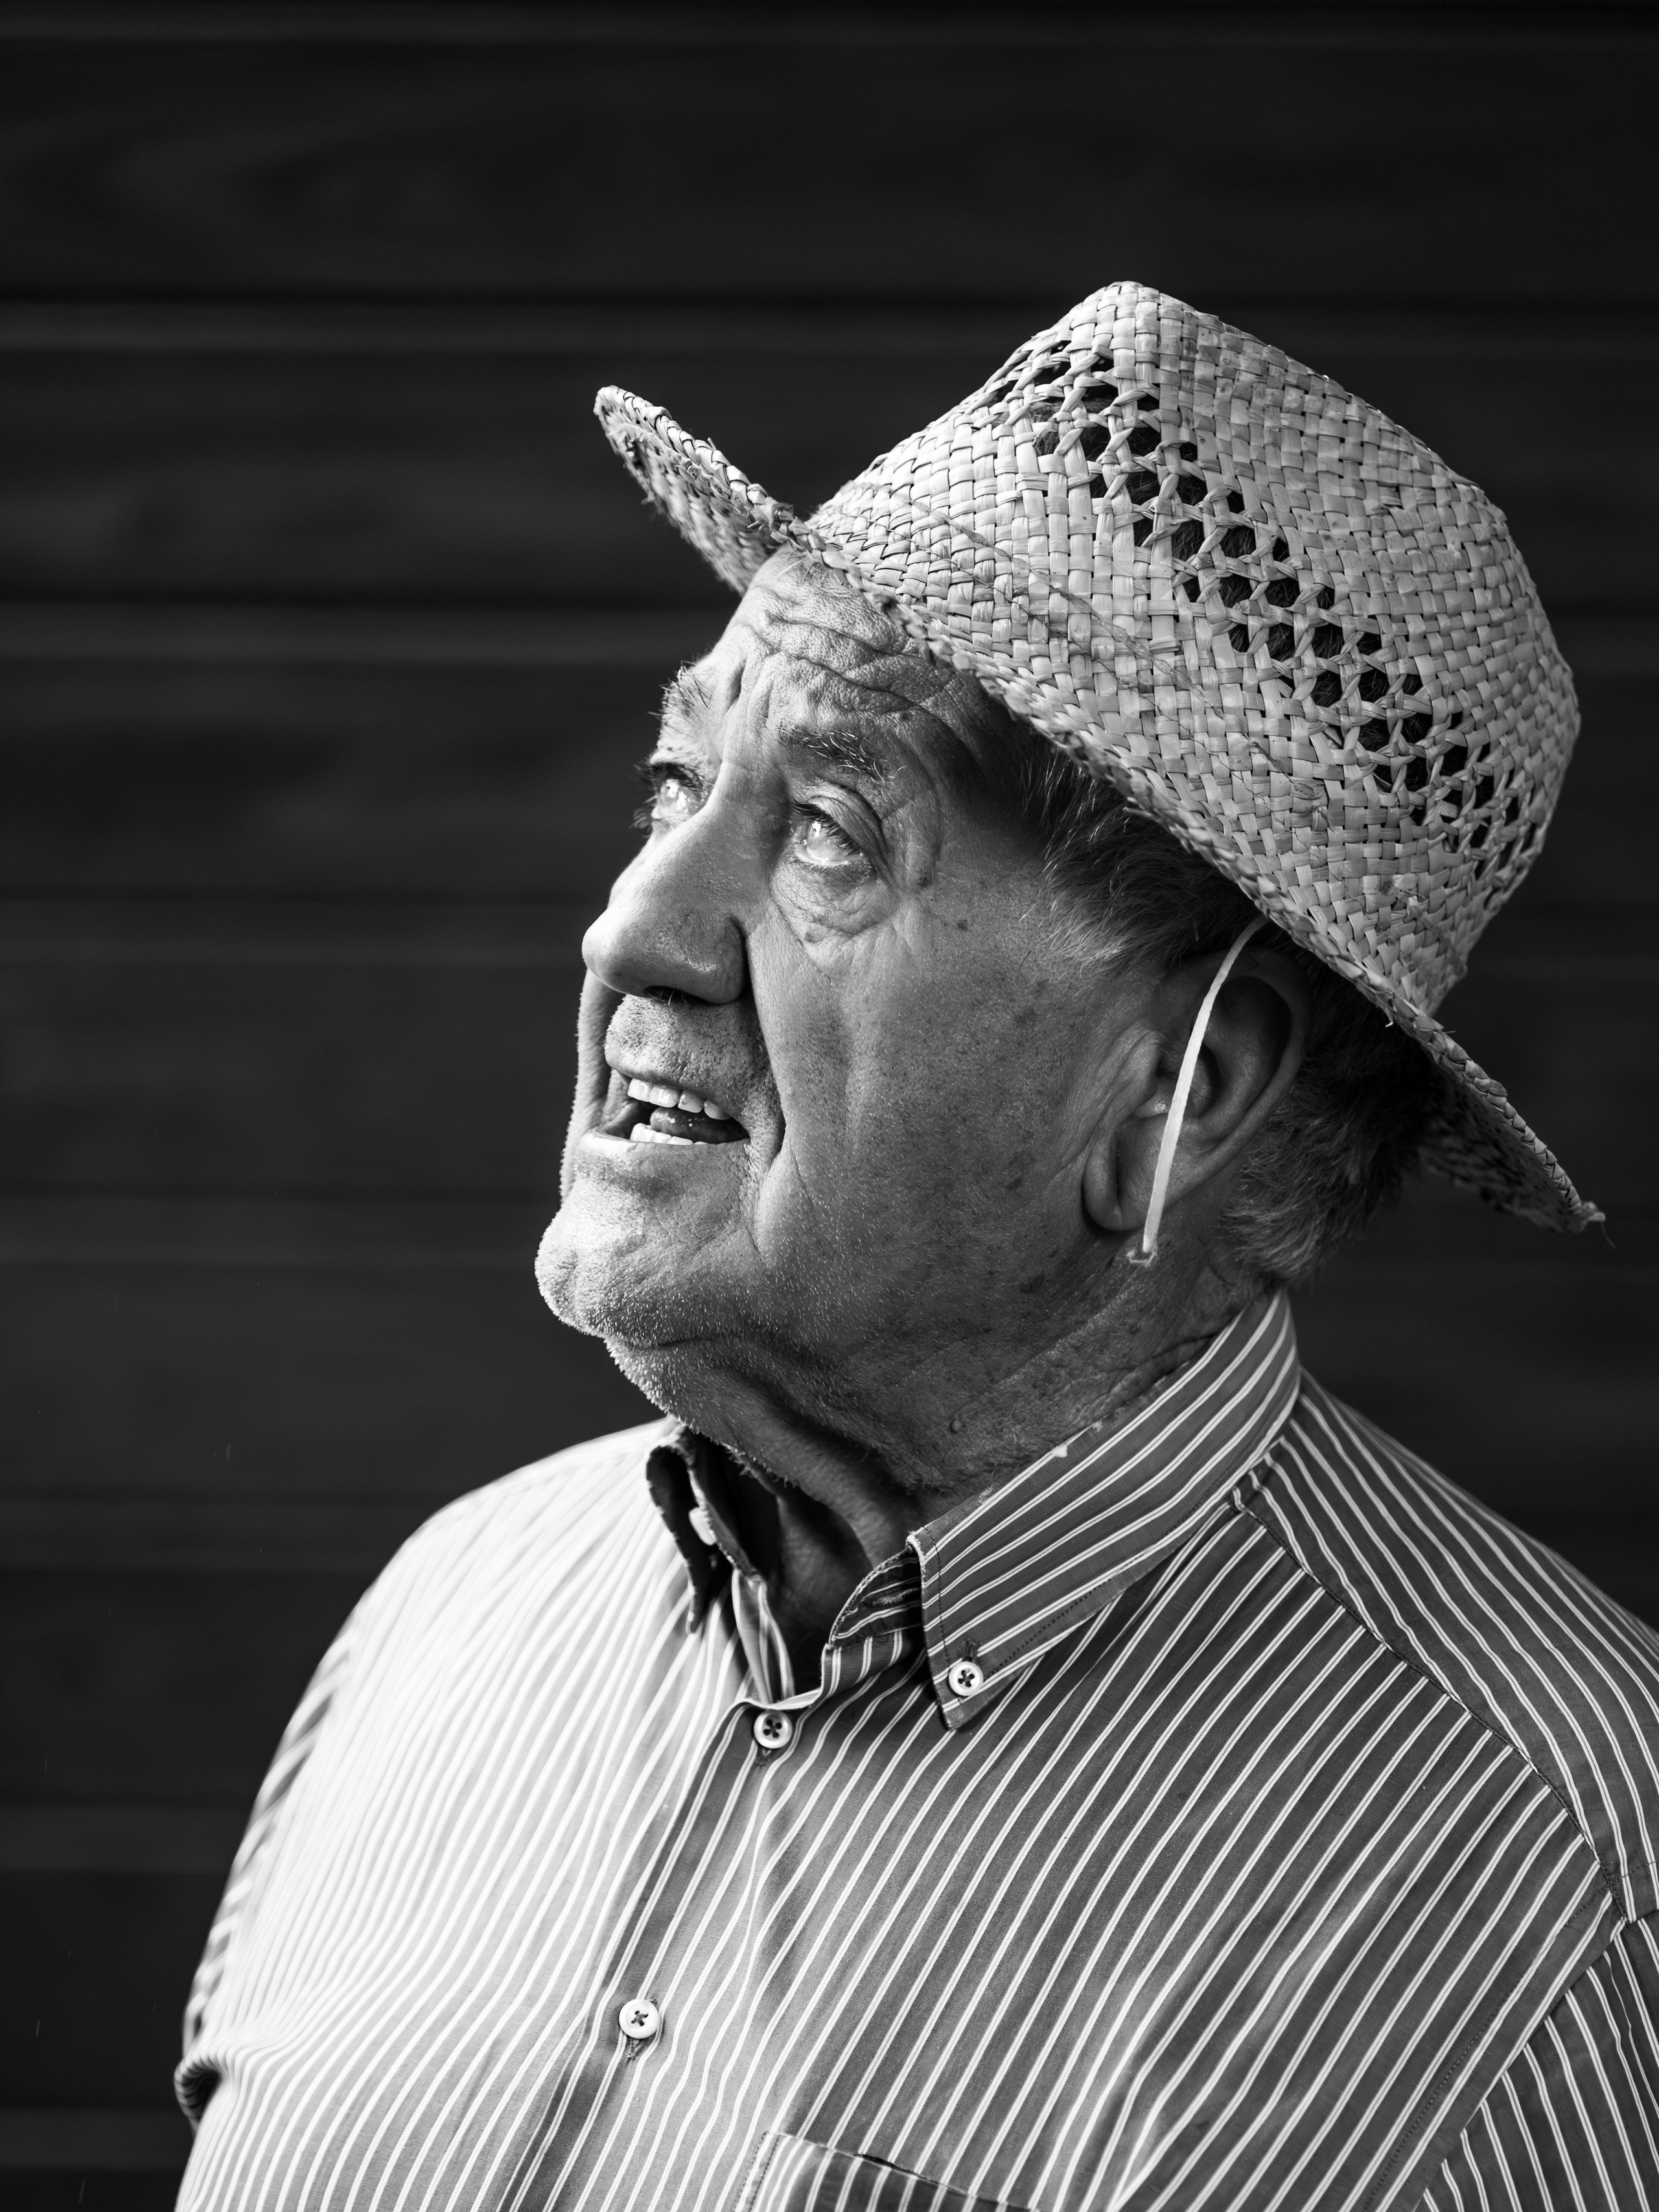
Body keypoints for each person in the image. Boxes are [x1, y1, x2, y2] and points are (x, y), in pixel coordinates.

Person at [174, 283, 1657, 2212]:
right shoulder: (448, 1613)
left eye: (828, 834)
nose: (632, 932)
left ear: (1188, 1085)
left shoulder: (1575, 1900)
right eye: (679, 784)